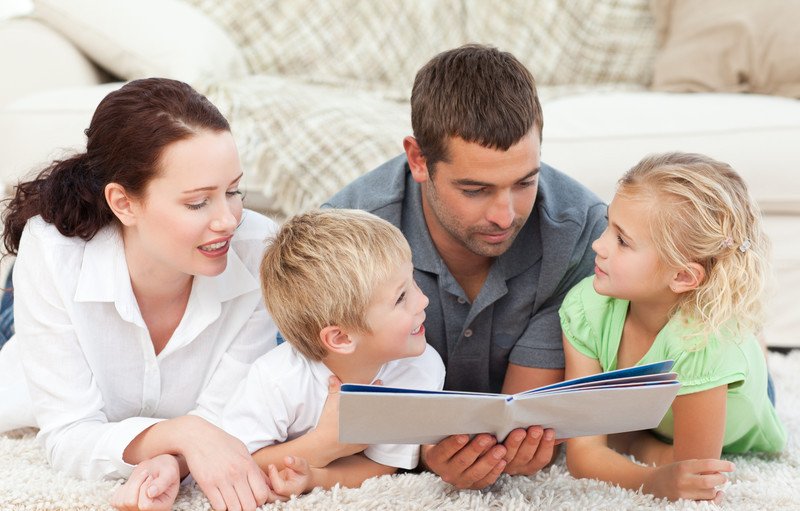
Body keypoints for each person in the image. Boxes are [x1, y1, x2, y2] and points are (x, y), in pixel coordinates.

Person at [323, 44, 607, 488]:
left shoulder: (581, 231)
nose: (505, 214)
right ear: (419, 159)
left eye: (525, 182)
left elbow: (526, 413)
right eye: (475, 189)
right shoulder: (345, 233)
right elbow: (304, 383)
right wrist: (419, 450)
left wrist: (524, 445)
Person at [0, 78, 281, 511]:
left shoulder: (259, 249)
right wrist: (184, 433)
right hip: (27, 308)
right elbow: (69, 433)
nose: (228, 220)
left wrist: (171, 460)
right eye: (197, 202)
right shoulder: (54, 252)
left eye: (233, 191)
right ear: (124, 203)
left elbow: (226, 416)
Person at [119, 209, 446, 502]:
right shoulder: (277, 379)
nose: (423, 301)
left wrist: (316, 478)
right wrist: (323, 443)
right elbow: (237, 458)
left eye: (412, 282)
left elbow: (381, 466)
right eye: (401, 298)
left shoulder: (421, 368)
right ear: (341, 337)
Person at [559, 152, 787, 503]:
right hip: (657, 408)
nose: (598, 245)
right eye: (608, 224)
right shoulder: (585, 308)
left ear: (682, 275)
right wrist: (652, 479)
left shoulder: (704, 343)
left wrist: (633, 442)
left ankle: (753, 344)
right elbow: (582, 454)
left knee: (742, 354)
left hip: (736, 406)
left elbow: (693, 471)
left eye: (622, 240)